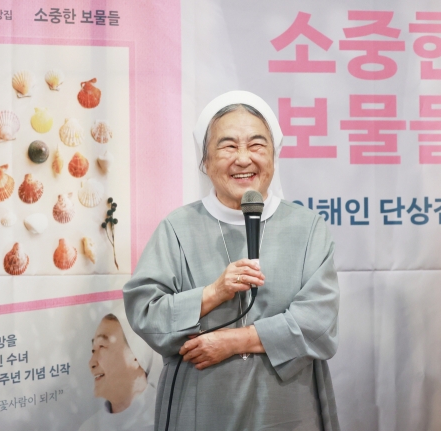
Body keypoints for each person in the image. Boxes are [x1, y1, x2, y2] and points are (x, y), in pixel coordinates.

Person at [123, 91, 340, 430]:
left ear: (273, 157)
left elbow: (319, 322)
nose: (243, 159)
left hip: (286, 406)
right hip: (203, 403)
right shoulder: (178, 227)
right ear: (205, 162)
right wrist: (213, 292)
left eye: (256, 145)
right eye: (228, 146)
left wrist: (233, 342)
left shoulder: (307, 227)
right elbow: (145, 314)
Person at [79, 314, 156, 431]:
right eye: (93, 350)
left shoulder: (169, 416)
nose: (92, 363)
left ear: (135, 355)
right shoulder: (89, 428)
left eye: (102, 346)